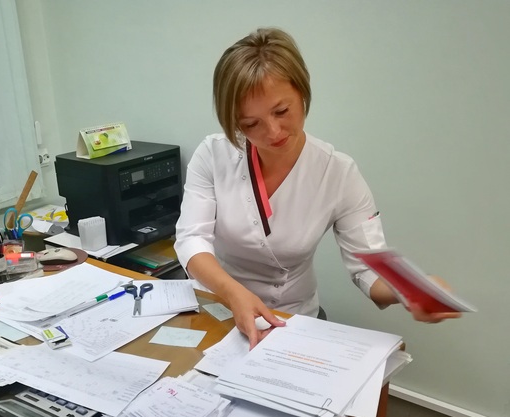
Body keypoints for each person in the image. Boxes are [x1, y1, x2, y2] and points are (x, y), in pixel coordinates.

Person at [174, 27, 460, 349]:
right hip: (219, 309)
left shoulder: (337, 172)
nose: (273, 131)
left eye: (282, 111)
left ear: (302, 92)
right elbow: (192, 239)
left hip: (292, 319)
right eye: (250, 124)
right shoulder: (213, 155)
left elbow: (368, 268)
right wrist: (233, 293)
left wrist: (410, 289)